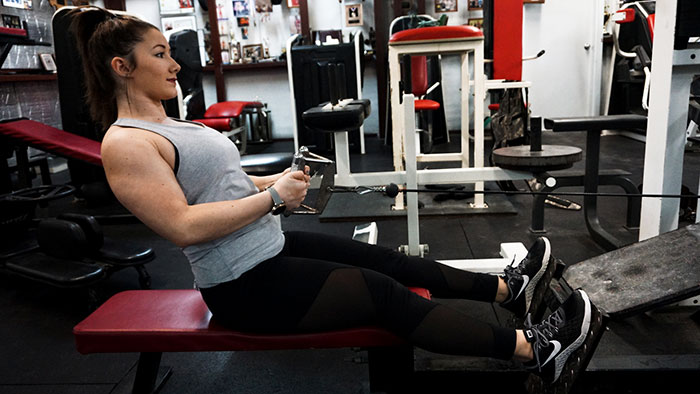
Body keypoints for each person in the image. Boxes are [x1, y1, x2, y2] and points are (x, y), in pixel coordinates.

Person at [68, 6, 592, 384]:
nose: (175, 64)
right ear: (123, 67)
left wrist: (272, 183)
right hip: (241, 286)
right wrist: (274, 201)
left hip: (268, 249)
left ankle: (507, 291)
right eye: (160, 54)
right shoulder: (126, 143)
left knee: (390, 261)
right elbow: (181, 224)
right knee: (383, 295)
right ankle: (534, 351)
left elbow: (220, 187)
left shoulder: (174, 125)